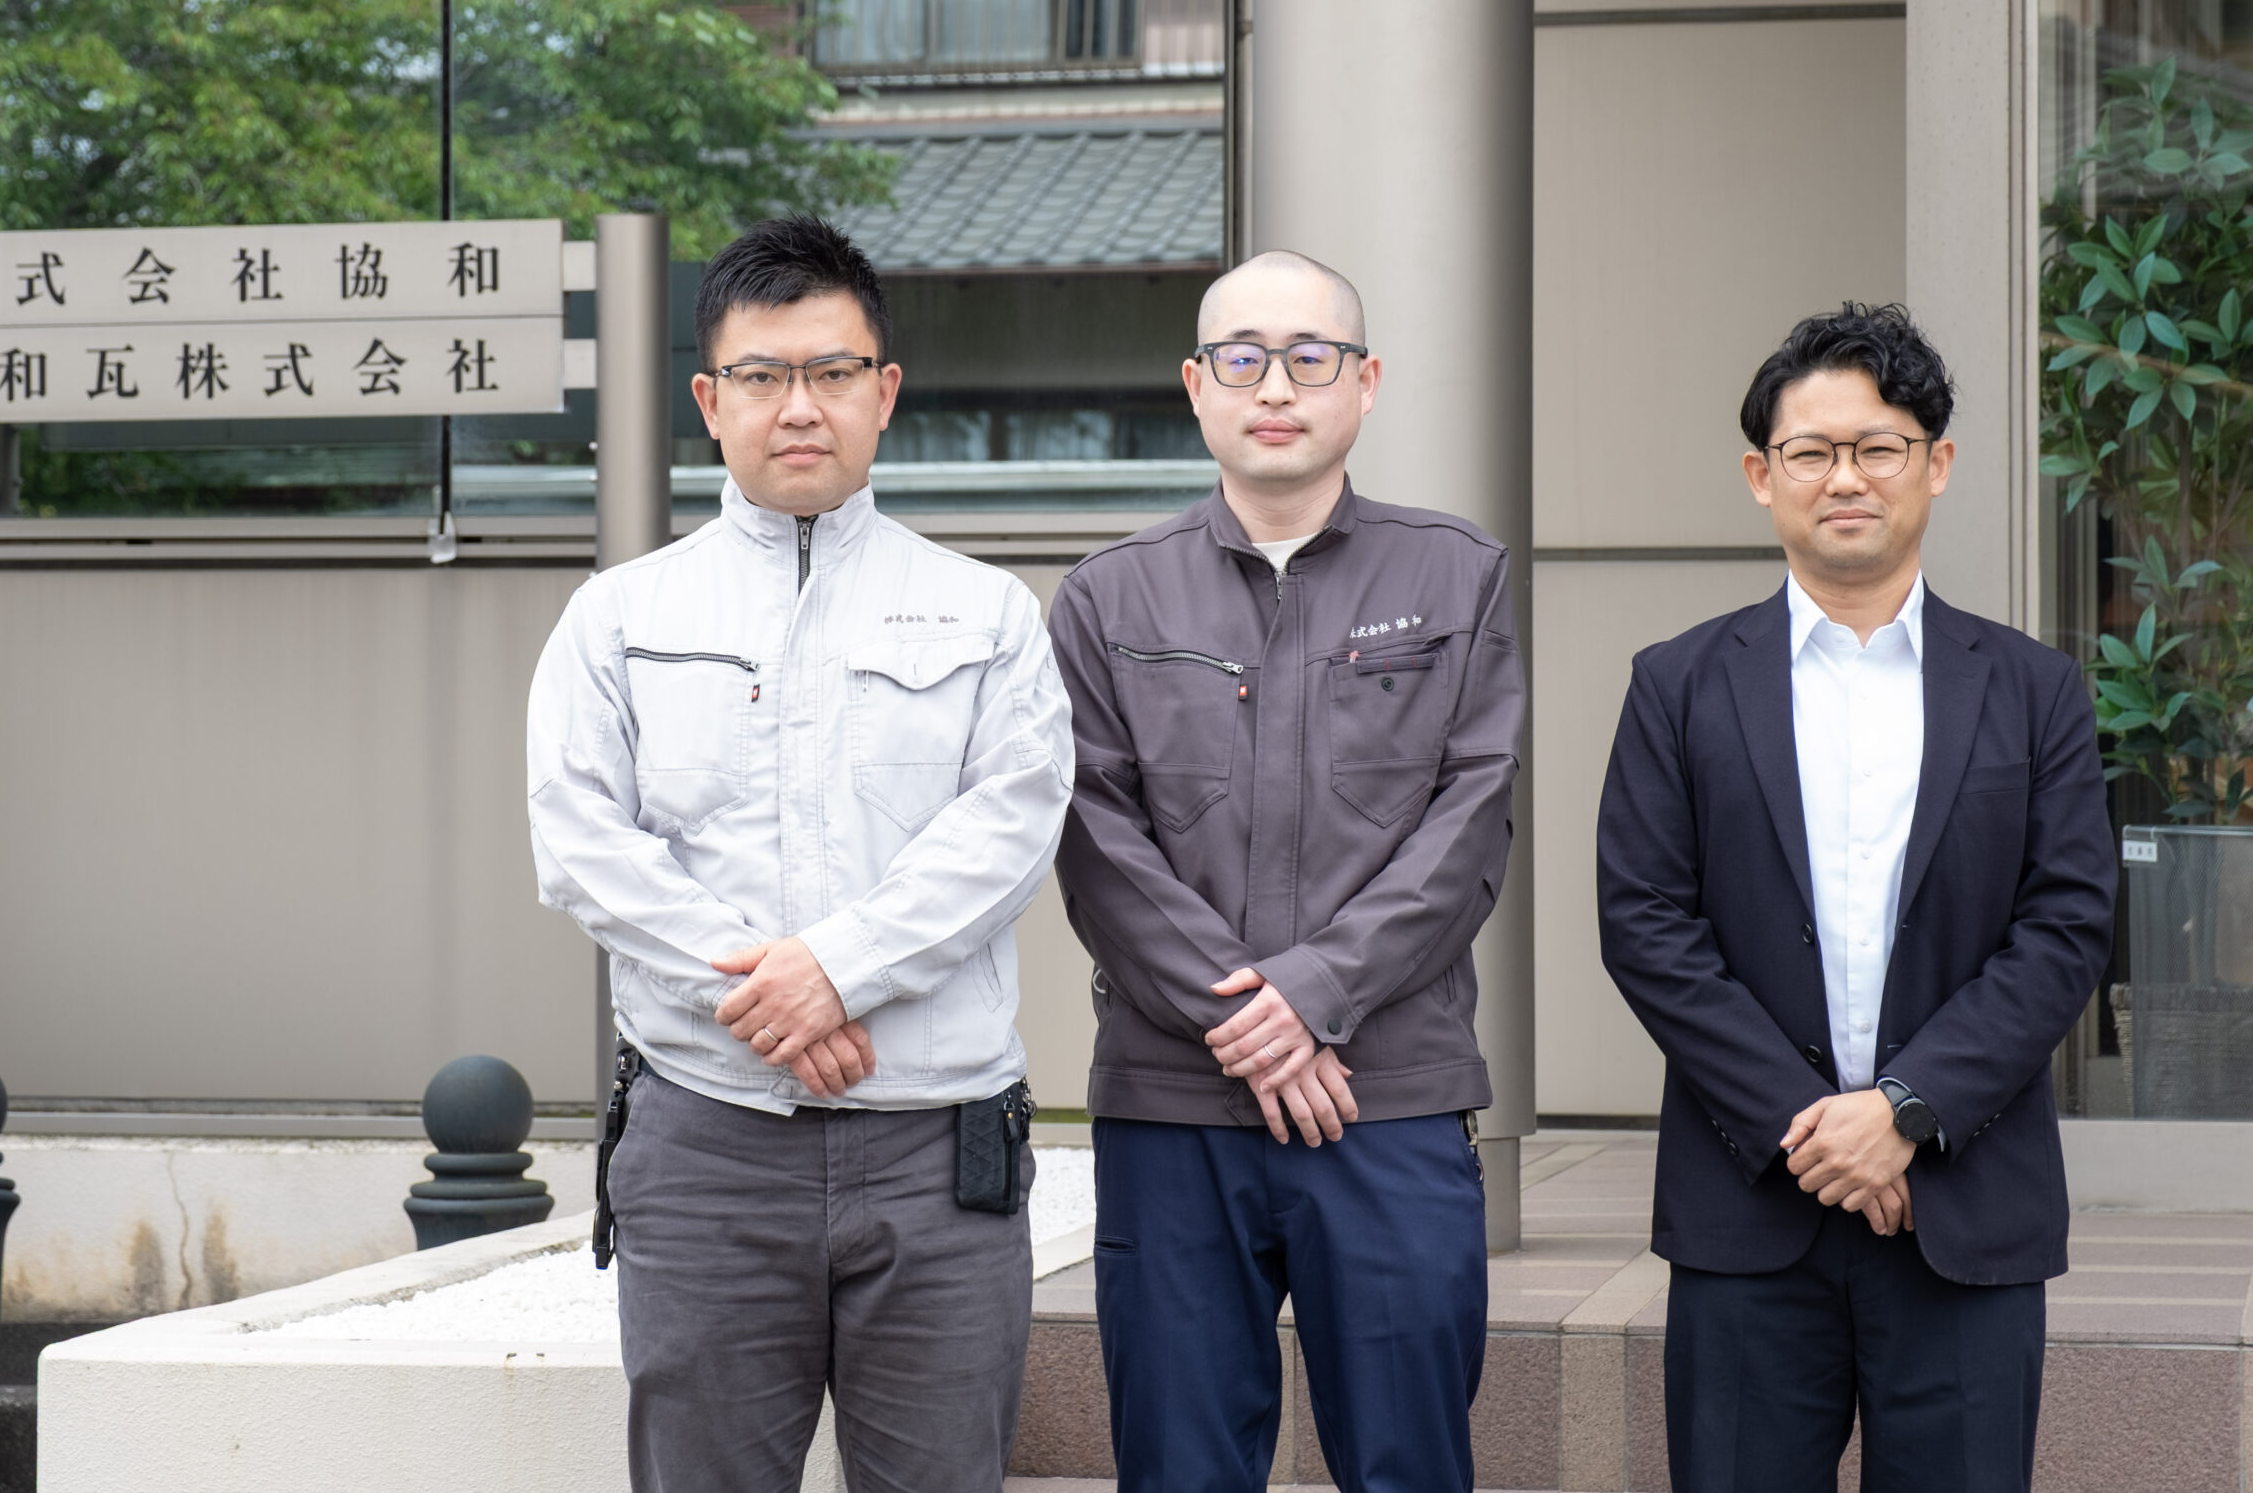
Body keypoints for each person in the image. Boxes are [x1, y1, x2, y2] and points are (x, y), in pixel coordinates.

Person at [524, 215, 1075, 1493]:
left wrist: (836, 969)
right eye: (763, 375)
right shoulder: (620, 617)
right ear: (709, 401)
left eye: (833, 371)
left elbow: (1010, 827)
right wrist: (774, 996)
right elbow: (580, 842)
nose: (799, 407)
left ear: (884, 391)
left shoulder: (989, 612)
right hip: (707, 1142)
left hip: (936, 1147)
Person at [1596, 304, 2116, 1493]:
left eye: (1879, 447)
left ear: (1936, 464)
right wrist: (1817, 1129)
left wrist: (1906, 1111)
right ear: (1760, 475)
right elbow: (1645, 924)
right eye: (1811, 451)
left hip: (1963, 1212)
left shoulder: (2033, 689)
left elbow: (2066, 927)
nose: (1845, 477)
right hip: (1749, 1210)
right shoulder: (1677, 685)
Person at [1048, 250, 1521, 1493]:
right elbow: (1094, 841)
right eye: (1243, 358)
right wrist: (1256, 1023)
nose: (1275, 388)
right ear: (1194, 385)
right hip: (1173, 1108)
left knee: (1407, 1463)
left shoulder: (1455, 575)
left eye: (1310, 359)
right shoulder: (1106, 598)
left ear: (1365, 382)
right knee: (1179, 1465)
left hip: (1387, 1096)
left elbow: (1469, 823)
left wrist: (1314, 995)